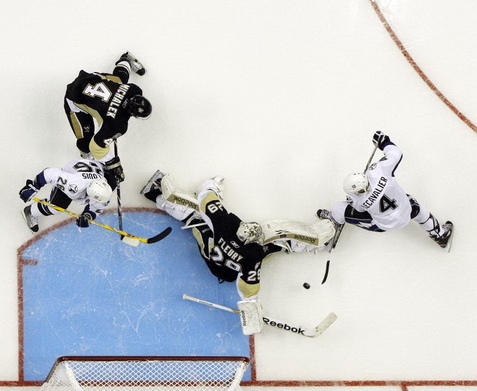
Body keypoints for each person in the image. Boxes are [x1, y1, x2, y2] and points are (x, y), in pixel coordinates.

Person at [140, 171, 335, 334]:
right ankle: (314, 244)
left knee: (196, 218)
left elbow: (205, 201)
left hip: (214, 254)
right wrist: (250, 307)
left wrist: (212, 185)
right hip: (226, 271)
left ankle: (157, 195)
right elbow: (248, 288)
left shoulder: (227, 225)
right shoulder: (253, 254)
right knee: (276, 242)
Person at [317, 131, 453, 249]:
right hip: (407, 211)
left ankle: (334, 221)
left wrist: (351, 200)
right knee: (418, 208)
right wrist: (384, 142)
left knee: (338, 209)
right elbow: (396, 153)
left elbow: (357, 206)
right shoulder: (379, 172)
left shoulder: (360, 201)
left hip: (382, 225)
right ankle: (440, 235)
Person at [64, 51, 152, 184]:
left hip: (89, 79)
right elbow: (97, 146)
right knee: (85, 140)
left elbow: (113, 110)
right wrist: (112, 165)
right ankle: (87, 162)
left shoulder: (134, 90)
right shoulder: (118, 124)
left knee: (119, 80)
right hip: (74, 98)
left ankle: (125, 60)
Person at [19, 159, 113, 233]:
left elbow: (97, 207)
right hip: (72, 171)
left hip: (93, 167)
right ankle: (30, 211)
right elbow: (49, 173)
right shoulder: (74, 184)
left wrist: (88, 215)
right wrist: (33, 187)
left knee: (114, 176)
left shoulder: (103, 190)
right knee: (56, 208)